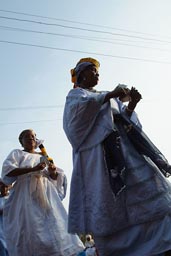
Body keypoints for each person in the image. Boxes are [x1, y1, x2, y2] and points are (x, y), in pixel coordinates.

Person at [63, 57, 171, 256]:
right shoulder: (76, 96)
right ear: (81, 75)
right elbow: (75, 127)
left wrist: (132, 105)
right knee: (113, 205)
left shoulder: (107, 98)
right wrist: (111, 94)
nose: (97, 74)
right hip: (101, 161)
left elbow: (127, 122)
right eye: (93, 71)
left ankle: (161, 244)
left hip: (127, 154)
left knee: (149, 194)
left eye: (97, 72)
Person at [1, 129, 84, 256]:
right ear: (21, 142)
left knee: (53, 223)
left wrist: (53, 172)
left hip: (46, 192)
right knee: (32, 225)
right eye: (28, 137)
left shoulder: (43, 156)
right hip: (26, 193)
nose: (32, 139)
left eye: (34, 136)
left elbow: (55, 178)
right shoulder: (17, 153)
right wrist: (32, 169)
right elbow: (8, 172)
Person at [0, 180, 11, 256]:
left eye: (5, 186)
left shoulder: (12, 198)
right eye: (1, 186)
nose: (3, 188)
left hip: (10, 227)